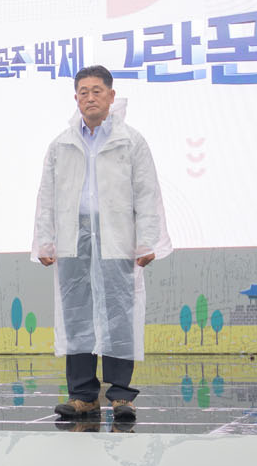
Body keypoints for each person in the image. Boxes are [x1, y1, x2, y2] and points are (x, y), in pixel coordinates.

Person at [33, 66, 168, 421]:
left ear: (111, 95)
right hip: (74, 236)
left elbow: (147, 193)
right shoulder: (61, 144)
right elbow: (47, 196)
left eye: (96, 91)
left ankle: (121, 396)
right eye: (83, 92)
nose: (90, 98)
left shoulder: (130, 141)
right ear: (75, 98)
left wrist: (147, 240)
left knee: (118, 314)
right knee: (77, 314)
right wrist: (45, 241)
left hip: (116, 236)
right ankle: (83, 395)